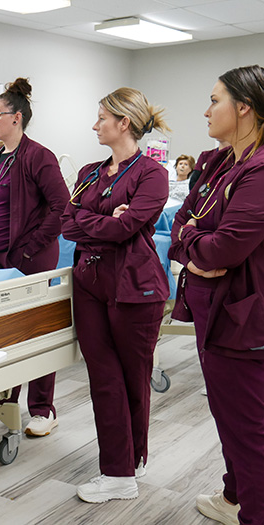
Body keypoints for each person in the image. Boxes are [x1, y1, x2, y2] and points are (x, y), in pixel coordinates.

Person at [61, 87, 170, 504]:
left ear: (123, 122)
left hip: (134, 289)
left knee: (133, 381)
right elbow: (66, 223)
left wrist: (100, 221)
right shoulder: (90, 171)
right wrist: (108, 217)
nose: (95, 124)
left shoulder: (152, 174)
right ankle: (119, 472)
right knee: (103, 379)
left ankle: (131, 461)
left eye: (101, 117)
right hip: (89, 284)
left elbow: (127, 230)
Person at [168, 64, 264, 525]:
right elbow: (180, 225)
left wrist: (192, 242)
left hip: (242, 320)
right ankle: (233, 498)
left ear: (244, 107)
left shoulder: (260, 171)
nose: (205, 110)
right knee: (230, 418)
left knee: (249, 430)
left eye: (214, 100)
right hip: (215, 313)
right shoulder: (221, 161)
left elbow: (224, 247)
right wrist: (192, 245)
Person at [0, 78, 69, 437]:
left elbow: (62, 208)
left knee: (35, 330)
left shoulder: (38, 156)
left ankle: (43, 409)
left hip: (30, 258)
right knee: (5, 331)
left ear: (18, 117)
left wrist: (30, 247)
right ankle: (6, 400)